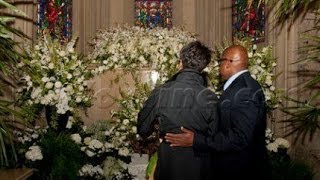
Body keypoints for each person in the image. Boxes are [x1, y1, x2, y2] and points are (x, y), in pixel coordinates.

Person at [165, 45, 268, 179]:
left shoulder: (244, 91)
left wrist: (197, 140)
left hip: (240, 169)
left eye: (219, 62)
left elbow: (239, 138)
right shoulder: (241, 85)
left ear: (228, 63)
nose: (218, 67)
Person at [137, 41, 218, 180]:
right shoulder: (210, 97)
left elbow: (143, 128)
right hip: (199, 165)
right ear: (203, 67)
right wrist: (196, 139)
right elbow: (216, 139)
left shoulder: (162, 91)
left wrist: (158, 130)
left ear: (180, 62)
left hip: (169, 162)